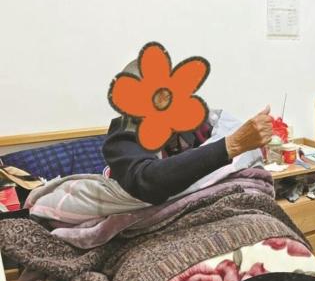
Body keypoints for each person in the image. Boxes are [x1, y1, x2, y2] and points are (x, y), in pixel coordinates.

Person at [103, 59, 273, 205]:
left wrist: (249, 139)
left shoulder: (195, 124)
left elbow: (227, 163)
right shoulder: (123, 137)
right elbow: (147, 182)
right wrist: (232, 145)